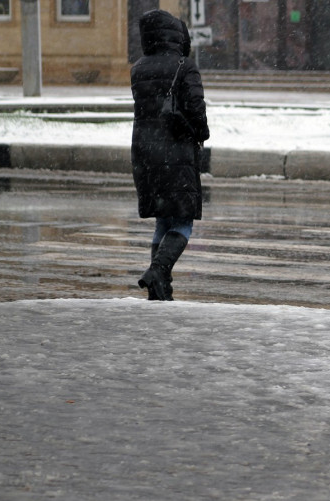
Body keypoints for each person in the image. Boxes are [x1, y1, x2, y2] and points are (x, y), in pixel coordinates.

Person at [130, 9, 210, 300]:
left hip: (144, 152)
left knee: (163, 219)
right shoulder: (184, 66)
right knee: (182, 220)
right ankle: (159, 271)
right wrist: (200, 132)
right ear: (176, 35)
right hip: (175, 151)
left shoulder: (137, 68)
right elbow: (196, 111)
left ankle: (158, 283)